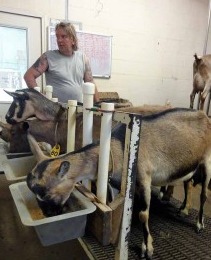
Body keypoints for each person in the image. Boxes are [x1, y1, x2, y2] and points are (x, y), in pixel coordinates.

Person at [24, 22, 99, 103]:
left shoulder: (83, 58)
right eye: (57, 37)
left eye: (63, 37)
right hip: (55, 111)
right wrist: (40, 100)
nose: (59, 40)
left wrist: (98, 106)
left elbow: (90, 82)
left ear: (73, 40)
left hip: (77, 109)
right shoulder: (48, 57)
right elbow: (28, 76)